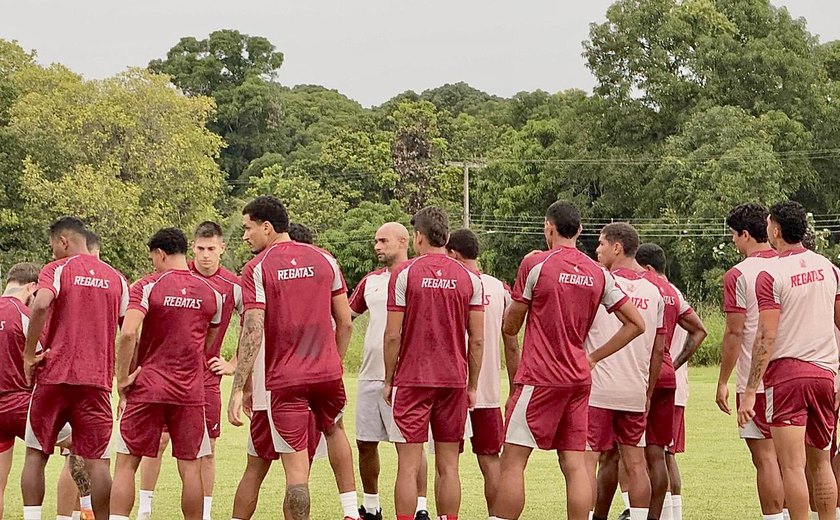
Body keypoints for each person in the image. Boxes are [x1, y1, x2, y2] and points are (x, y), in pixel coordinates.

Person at [494, 201, 646, 520]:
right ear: (579, 231)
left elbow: (510, 326)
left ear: (548, 227)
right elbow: (637, 324)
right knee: (575, 463)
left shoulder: (535, 264)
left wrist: (517, 308)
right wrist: (593, 357)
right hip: (578, 377)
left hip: (540, 376)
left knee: (513, 460)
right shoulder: (598, 273)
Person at [228, 195, 359, 520]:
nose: (245, 236)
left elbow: (253, 328)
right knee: (335, 429)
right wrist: (335, 363)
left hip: (285, 382)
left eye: (248, 228)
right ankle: (351, 512)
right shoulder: (325, 258)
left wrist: (237, 387)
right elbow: (345, 322)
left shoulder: (257, 268)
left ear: (267, 227)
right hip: (327, 375)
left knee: (296, 476)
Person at [109, 228, 223, 520]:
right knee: (190, 466)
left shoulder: (147, 287)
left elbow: (128, 333)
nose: (153, 264)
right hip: (189, 391)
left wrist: (123, 378)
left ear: (160, 254)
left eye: (152, 258)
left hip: (149, 386)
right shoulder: (212, 293)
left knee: (126, 463)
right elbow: (208, 342)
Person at [21, 216, 129, 520]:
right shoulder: (117, 278)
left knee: (36, 453)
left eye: (53, 245)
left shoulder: (56, 269)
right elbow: (130, 330)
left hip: (55, 375)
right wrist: (124, 374)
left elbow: (41, 304)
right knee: (96, 461)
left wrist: (30, 354)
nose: (53, 251)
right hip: (96, 381)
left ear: (63, 241)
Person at [738, 201, 840, 520]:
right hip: (825, 375)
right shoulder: (829, 267)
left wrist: (751, 389)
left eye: (769, 224)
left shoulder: (770, 274)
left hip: (786, 377)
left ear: (777, 231)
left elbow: (766, 335)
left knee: (792, 466)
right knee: (821, 461)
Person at [136, 221, 243, 520]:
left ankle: (205, 513)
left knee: (205, 450)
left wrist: (233, 364)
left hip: (204, 382)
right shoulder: (175, 276)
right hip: (163, 378)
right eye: (200, 249)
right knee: (156, 442)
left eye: (211, 249)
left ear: (222, 248)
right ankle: (145, 508)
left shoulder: (233, 286)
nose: (205, 255)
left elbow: (256, 326)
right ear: (191, 248)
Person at [383, 206, 484, 520]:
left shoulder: (404, 273)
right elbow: (478, 340)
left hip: (412, 379)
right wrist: (473, 386)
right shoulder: (470, 278)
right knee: (448, 465)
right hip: (453, 380)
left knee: (408, 465)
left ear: (418, 237)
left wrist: (388, 379)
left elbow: (392, 335)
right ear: (447, 237)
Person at [584, 223, 665, 520]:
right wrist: (647, 391)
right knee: (635, 461)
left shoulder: (599, 282)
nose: (597, 250)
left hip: (599, 387)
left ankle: (587, 514)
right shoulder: (653, 290)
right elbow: (659, 349)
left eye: (601, 244)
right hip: (634, 388)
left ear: (617, 247)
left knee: (587, 460)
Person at [350, 222, 429, 520]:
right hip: (370, 374)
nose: (377, 246)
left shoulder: (417, 275)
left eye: (383, 241)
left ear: (403, 241)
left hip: (407, 376)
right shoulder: (370, 281)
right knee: (365, 443)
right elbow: (346, 314)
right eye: (375, 241)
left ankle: (420, 506)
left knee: (409, 446)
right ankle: (371, 506)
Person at [445, 228, 520, 520]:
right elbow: (511, 341)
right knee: (491, 460)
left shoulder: (452, 284)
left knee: (447, 463)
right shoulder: (499, 289)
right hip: (488, 390)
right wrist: (515, 387)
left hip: (451, 387)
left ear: (453, 254)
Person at [717, 203, 785, 520]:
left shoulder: (739, 274)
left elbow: (734, 332)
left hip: (757, 379)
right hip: (798, 371)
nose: (732, 241)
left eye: (733, 235)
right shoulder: (791, 263)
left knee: (765, 457)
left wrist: (723, 381)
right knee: (801, 459)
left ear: (745, 235)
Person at [636, 242, 707, 520]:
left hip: (654, 379)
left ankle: (658, 513)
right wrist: (675, 366)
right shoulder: (674, 294)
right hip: (673, 381)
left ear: (649, 269)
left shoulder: (649, 290)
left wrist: (671, 363)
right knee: (666, 454)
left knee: (647, 455)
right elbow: (699, 331)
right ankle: (669, 514)